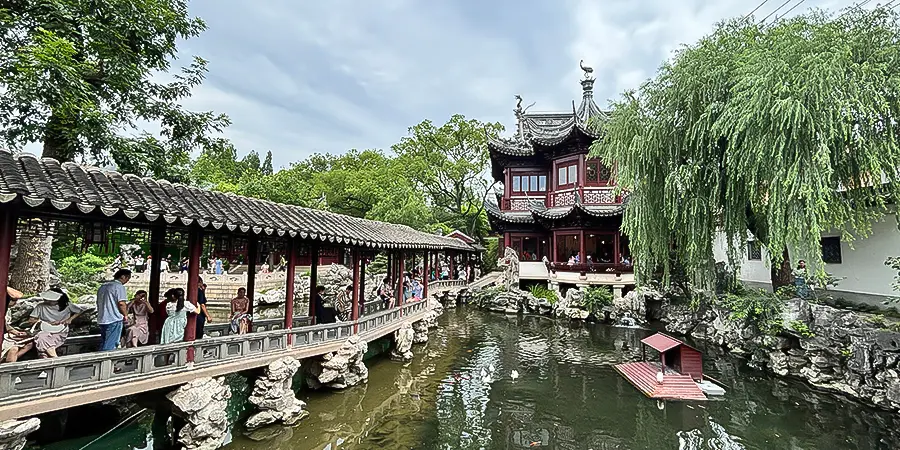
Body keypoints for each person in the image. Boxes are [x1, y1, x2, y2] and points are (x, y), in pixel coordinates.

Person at [30, 288, 85, 358]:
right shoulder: (40, 306)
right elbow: (31, 320)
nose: (47, 301)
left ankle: (47, 357)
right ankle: (54, 357)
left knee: (43, 346)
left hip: (61, 331)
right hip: (44, 329)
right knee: (41, 337)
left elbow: (80, 311)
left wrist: (69, 319)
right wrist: (46, 322)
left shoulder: (67, 305)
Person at [96, 269, 131, 351]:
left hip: (102, 319)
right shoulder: (119, 286)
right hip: (113, 319)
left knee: (104, 342)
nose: (127, 281)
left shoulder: (103, 286)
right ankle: (106, 362)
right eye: (127, 278)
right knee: (110, 345)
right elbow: (121, 303)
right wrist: (125, 315)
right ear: (123, 277)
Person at [2, 287, 34, 363]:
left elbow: (4, 323)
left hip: (5, 335)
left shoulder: (6, 310)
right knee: (14, 349)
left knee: (28, 344)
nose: (16, 303)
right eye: (14, 301)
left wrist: (14, 331)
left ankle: (8, 366)